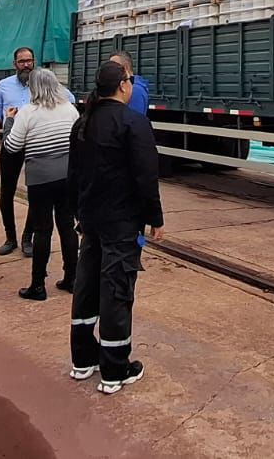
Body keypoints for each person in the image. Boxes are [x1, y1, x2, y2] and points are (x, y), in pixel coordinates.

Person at [68, 60, 165, 394]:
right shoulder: (133, 123)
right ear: (123, 85)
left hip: (90, 219)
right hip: (121, 222)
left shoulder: (83, 122)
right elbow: (145, 176)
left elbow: (74, 175)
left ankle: (82, 359)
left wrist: (76, 212)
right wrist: (156, 217)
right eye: (130, 80)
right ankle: (115, 368)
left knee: (87, 283)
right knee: (117, 289)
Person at [0, 47, 74, 257]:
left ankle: (28, 237)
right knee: (7, 191)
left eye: (29, 60)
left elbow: (68, 99)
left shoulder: (43, 82)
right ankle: (10, 237)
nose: (26, 64)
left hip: (37, 144)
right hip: (11, 141)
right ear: (14, 64)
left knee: (35, 193)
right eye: (21, 61)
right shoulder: (4, 85)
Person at [4, 68, 80, 300]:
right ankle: (71, 279)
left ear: (33, 88)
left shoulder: (27, 112)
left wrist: (9, 121)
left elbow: (12, 146)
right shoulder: (70, 109)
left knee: (42, 230)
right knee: (67, 226)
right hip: (67, 176)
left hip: (40, 179)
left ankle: (38, 285)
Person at [108, 52, 151, 116]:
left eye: (113, 66)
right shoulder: (131, 87)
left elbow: (132, 121)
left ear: (125, 68)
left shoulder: (135, 91)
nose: (109, 69)